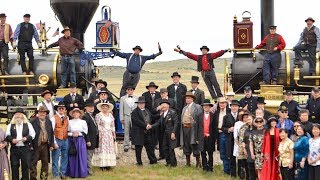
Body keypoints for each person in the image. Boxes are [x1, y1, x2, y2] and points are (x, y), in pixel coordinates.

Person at [5, 108, 36, 180]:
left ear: (23, 115)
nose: (18, 116)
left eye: (20, 114)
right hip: (14, 149)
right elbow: (7, 135)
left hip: (25, 149)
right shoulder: (11, 125)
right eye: (17, 114)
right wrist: (12, 140)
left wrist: (26, 138)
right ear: (14, 115)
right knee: (14, 166)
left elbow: (33, 134)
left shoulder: (28, 124)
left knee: (25, 166)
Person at [150, 99, 179, 167]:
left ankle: (173, 164)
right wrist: (151, 126)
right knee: (165, 148)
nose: (163, 106)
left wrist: (173, 133)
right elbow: (158, 123)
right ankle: (168, 162)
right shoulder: (162, 114)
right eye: (162, 105)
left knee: (171, 149)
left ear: (168, 106)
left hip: (171, 134)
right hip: (165, 134)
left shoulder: (172, 112)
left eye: (165, 105)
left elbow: (176, 123)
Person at [131, 96, 157, 166]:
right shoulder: (134, 112)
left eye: (143, 103)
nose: (141, 104)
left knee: (150, 147)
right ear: (138, 104)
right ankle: (139, 163)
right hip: (139, 133)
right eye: (140, 103)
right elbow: (137, 121)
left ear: (144, 104)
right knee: (138, 149)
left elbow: (152, 117)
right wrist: (145, 126)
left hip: (147, 133)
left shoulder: (147, 110)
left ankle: (153, 161)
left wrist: (159, 115)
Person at [30, 106, 54, 180]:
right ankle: (33, 178)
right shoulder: (33, 121)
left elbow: (51, 134)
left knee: (45, 163)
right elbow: (30, 134)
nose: (42, 114)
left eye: (44, 112)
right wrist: (30, 145)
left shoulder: (49, 122)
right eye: (40, 112)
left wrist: (51, 144)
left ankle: (43, 177)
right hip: (35, 145)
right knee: (33, 163)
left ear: (46, 113)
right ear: (38, 113)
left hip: (45, 145)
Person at [180, 92, 202, 167]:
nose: (187, 100)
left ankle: (198, 162)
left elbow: (200, 120)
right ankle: (188, 163)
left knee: (194, 145)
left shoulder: (197, 107)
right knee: (186, 145)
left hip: (193, 129)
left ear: (192, 99)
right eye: (186, 98)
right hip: (184, 128)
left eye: (189, 98)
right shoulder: (184, 108)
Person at [93, 102, 116, 170]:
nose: (105, 108)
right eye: (103, 107)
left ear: (108, 108)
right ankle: (102, 165)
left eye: (106, 107)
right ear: (101, 108)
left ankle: (108, 164)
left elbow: (112, 125)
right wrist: (102, 130)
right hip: (102, 134)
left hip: (109, 134)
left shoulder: (110, 115)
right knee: (102, 148)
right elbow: (97, 125)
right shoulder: (98, 115)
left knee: (109, 148)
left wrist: (113, 133)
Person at [66, 108, 88, 178]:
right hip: (72, 141)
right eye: (74, 112)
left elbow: (85, 132)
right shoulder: (69, 121)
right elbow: (67, 132)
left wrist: (78, 134)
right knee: (72, 157)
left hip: (80, 141)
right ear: (72, 114)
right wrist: (72, 134)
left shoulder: (83, 122)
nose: (76, 114)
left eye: (77, 112)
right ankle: (72, 173)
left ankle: (81, 173)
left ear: (80, 114)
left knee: (81, 156)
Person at [51, 101, 69, 180]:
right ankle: (55, 174)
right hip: (57, 139)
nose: (61, 109)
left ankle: (63, 173)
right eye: (60, 108)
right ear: (57, 109)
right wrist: (54, 142)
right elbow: (51, 131)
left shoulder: (66, 117)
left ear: (65, 109)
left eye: (63, 108)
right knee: (55, 157)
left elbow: (69, 128)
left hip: (65, 139)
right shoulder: (53, 118)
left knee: (65, 157)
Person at [198, 99, 217, 171]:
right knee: (203, 153)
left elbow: (215, 127)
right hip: (202, 137)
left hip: (210, 137)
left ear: (210, 107)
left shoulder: (213, 116)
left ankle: (210, 167)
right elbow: (198, 127)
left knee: (210, 153)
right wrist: (197, 138)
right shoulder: (199, 115)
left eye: (207, 106)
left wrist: (215, 138)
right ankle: (204, 166)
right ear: (202, 107)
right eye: (204, 106)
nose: (206, 107)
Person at [221, 100, 239, 177]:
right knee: (231, 156)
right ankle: (233, 174)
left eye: (236, 106)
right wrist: (228, 129)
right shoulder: (226, 116)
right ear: (230, 107)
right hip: (230, 139)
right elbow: (223, 128)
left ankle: (242, 173)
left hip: (240, 140)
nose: (234, 108)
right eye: (233, 106)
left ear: (238, 107)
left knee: (241, 157)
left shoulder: (241, 116)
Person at [119, 84, 138, 152]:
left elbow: (138, 108)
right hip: (126, 116)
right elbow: (121, 109)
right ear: (126, 91)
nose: (130, 91)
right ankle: (126, 145)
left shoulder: (136, 98)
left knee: (134, 131)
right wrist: (121, 118)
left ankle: (133, 144)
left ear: (133, 90)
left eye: (131, 90)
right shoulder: (123, 98)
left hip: (134, 117)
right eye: (128, 90)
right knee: (126, 131)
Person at [214, 97, 231, 174]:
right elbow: (214, 124)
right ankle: (225, 169)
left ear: (226, 104)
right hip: (219, 134)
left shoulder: (229, 111)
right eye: (220, 103)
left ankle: (230, 169)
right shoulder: (217, 112)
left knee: (229, 152)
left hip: (228, 134)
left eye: (223, 103)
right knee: (222, 152)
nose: (221, 104)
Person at [82, 100, 98, 176]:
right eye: (90, 107)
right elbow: (85, 130)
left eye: (92, 107)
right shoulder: (85, 116)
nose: (92, 108)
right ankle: (89, 172)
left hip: (93, 139)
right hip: (89, 140)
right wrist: (87, 140)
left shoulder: (92, 115)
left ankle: (89, 170)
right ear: (86, 108)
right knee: (88, 156)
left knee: (90, 156)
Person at [242, 114, 257, 180]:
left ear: (253, 120)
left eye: (250, 119)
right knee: (250, 167)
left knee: (257, 168)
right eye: (247, 119)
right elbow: (244, 140)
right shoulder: (246, 130)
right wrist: (244, 148)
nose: (248, 121)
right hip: (248, 150)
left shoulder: (257, 129)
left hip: (256, 150)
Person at [233, 109, 245, 178]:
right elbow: (235, 135)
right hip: (238, 144)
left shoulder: (248, 123)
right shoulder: (237, 123)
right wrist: (239, 144)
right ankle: (240, 174)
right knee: (239, 160)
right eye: (240, 114)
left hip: (246, 144)